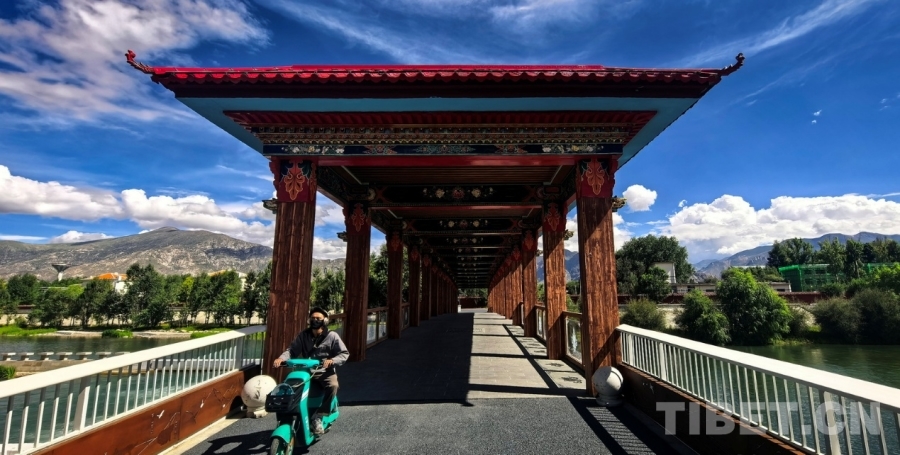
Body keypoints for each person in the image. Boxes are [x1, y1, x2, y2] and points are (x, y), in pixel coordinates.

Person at [273, 307, 349, 434]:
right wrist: (281, 359)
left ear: (325, 321)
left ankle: (320, 415)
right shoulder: (303, 335)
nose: (315, 320)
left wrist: (332, 360)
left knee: (333, 385)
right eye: (313, 318)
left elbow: (344, 354)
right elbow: (291, 351)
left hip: (324, 371)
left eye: (318, 318)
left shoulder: (332, 336)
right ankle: (290, 415)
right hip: (305, 371)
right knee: (289, 387)